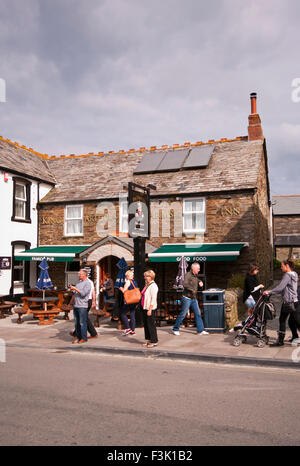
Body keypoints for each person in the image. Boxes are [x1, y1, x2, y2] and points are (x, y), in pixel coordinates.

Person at [264, 258, 299, 346]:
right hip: (295, 302)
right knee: (293, 321)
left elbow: (280, 288)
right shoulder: (294, 274)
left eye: (282, 266)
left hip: (288, 303)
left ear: (287, 266)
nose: (281, 268)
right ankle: (295, 337)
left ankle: (280, 341)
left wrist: (269, 292)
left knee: (283, 320)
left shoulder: (287, 275)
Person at [173, 262, 208, 336]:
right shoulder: (188, 275)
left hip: (194, 298)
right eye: (198, 269)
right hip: (187, 298)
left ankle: (200, 330)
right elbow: (184, 284)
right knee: (183, 314)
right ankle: (175, 329)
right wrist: (192, 289)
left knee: (198, 314)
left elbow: (196, 279)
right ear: (193, 268)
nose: (199, 270)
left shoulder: (195, 275)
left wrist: (200, 281)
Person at [69, 270, 98, 339]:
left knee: (84, 318)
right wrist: (71, 301)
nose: (78, 275)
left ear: (84, 275)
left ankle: (93, 333)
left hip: (87, 301)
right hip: (79, 302)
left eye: (80, 274)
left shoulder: (89, 282)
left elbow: (93, 291)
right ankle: (77, 333)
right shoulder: (80, 282)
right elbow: (76, 292)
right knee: (83, 317)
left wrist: (94, 301)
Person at [141, 270, 159, 348]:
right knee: (146, 324)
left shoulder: (153, 286)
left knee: (151, 325)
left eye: (147, 276)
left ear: (151, 277)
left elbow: (153, 298)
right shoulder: (147, 285)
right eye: (145, 276)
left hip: (150, 308)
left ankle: (154, 341)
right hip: (144, 307)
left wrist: (150, 309)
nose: (145, 278)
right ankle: (148, 339)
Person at [119, 270, 138, 336]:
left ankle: (127, 328)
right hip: (135, 301)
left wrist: (121, 288)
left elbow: (124, 291)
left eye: (126, 276)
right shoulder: (135, 282)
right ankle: (133, 331)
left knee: (123, 314)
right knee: (132, 315)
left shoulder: (128, 282)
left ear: (127, 276)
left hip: (128, 301)